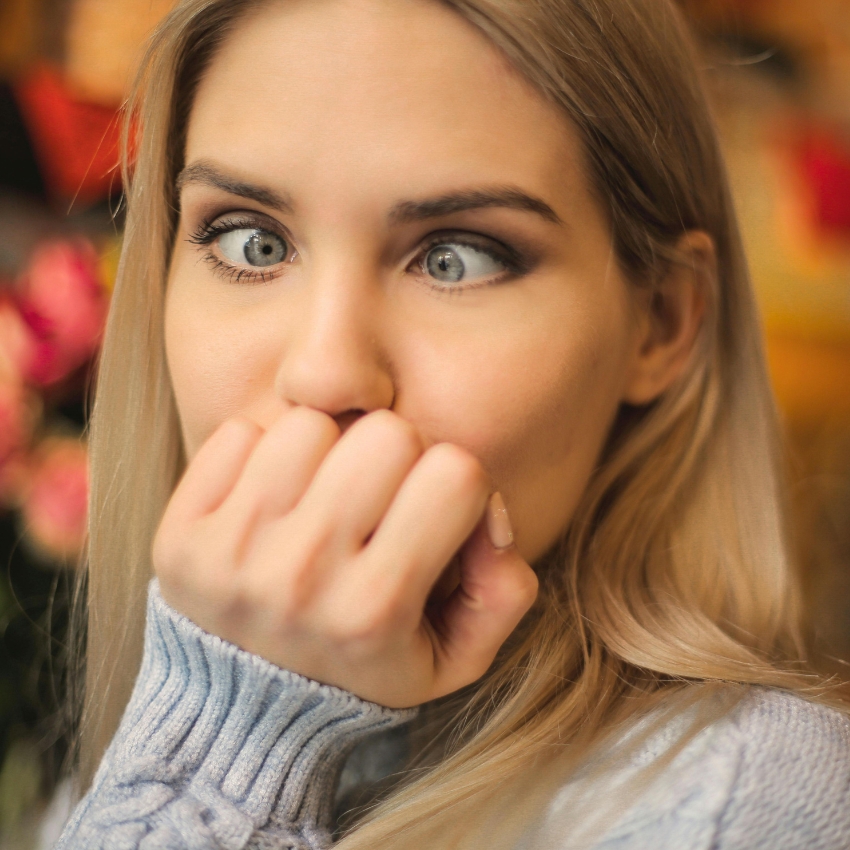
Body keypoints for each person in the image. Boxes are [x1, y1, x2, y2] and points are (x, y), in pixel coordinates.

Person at [55, 0, 850, 847]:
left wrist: (227, 741)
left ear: (660, 323)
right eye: (252, 242)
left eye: (454, 257)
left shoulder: (733, 800)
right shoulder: (106, 769)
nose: (325, 373)